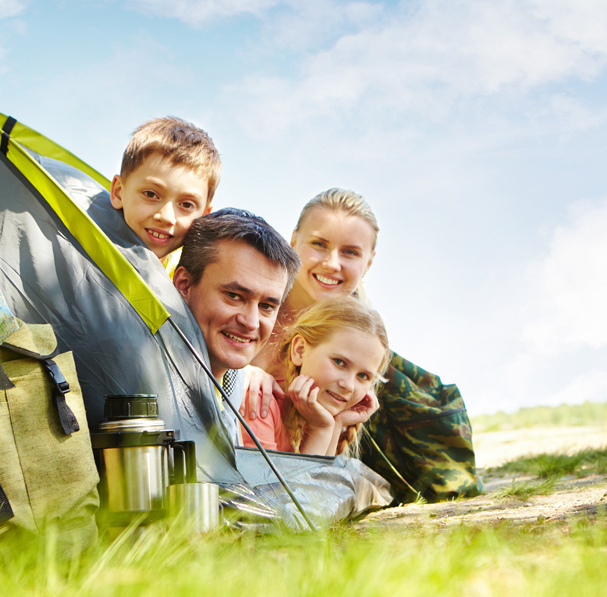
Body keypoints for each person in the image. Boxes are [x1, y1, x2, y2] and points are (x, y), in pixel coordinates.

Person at [243, 188, 481, 502]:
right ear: (293, 242)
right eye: (318, 244)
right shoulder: (253, 305)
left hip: (296, 472)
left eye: (350, 253)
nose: (331, 263)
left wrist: (338, 419)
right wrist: (240, 371)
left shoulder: (361, 350)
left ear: (368, 263)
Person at [173, 208, 300, 445]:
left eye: (266, 306)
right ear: (184, 284)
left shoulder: (241, 387)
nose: (250, 322)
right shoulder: (145, 372)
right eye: (234, 295)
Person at [240, 296, 390, 456]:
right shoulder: (260, 403)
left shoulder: (322, 415)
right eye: (339, 362)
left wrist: (336, 425)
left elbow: (323, 479)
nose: (349, 385)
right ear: (300, 350)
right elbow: (276, 482)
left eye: (363, 376)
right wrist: (321, 431)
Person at [109, 116, 219, 268]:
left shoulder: (187, 285)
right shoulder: (76, 246)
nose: (166, 217)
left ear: (203, 217)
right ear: (118, 192)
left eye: (186, 205)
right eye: (150, 194)